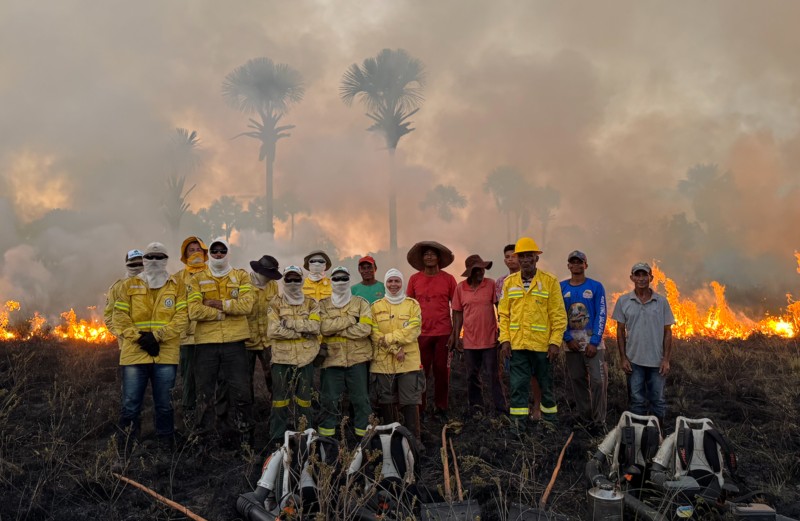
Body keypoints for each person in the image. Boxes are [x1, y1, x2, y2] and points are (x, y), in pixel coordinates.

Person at [112, 242, 188, 448]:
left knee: (164, 404)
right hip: (134, 353)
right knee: (130, 405)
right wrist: (140, 338)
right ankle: (126, 447)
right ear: (144, 260)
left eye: (159, 257)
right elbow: (119, 317)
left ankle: (165, 445)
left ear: (166, 260)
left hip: (165, 354)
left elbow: (182, 317)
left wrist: (157, 337)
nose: (154, 261)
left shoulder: (177, 285)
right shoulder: (128, 286)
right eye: (150, 257)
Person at [187, 237, 255, 447]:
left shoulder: (241, 276)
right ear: (209, 254)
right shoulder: (197, 279)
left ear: (228, 253)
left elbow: (246, 306)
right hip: (206, 344)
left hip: (235, 343)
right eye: (214, 250)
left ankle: (245, 441)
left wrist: (217, 304)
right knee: (204, 394)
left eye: (222, 250)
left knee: (242, 392)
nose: (218, 254)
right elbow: (193, 310)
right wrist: (222, 313)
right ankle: (203, 441)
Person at [498, 237, 567, 433]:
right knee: (517, 386)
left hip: (542, 346)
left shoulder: (549, 281)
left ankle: (549, 424)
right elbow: (504, 315)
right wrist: (505, 340)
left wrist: (555, 343)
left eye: (530, 256)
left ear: (537, 258)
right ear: (518, 259)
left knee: (546, 385)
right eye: (522, 256)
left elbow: (558, 315)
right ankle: (517, 426)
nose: (526, 260)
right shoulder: (509, 283)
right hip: (517, 346)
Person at [611, 262, 675, 429]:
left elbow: (668, 332)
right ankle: (638, 435)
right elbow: (620, 331)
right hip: (634, 362)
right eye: (637, 275)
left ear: (651, 278)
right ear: (632, 278)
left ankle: (658, 435)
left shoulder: (661, 302)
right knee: (636, 401)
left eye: (644, 275)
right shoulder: (624, 301)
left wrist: (666, 360)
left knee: (658, 401)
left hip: (657, 362)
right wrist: (623, 358)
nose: (641, 278)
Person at [370, 268, 425, 448]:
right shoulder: (376, 306)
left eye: (397, 281)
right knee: (387, 401)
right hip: (383, 363)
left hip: (408, 362)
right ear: (385, 284)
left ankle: (414, 442)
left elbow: (414, 330)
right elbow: (374, 334)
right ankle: (391, 441)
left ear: (402, 283)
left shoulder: (412, 305)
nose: (393, 285)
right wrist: (394, 349)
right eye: (390, 281)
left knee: (410, 401)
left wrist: (390, 338)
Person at [317, 266, 374, 438]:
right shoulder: (322, 305)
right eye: (336, 279)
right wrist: (351, 320)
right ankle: (328, 441)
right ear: (331, 281)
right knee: (329, 401)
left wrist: (337, 330)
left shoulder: (361, 303)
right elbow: (323, 328)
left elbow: (365, 329)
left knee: (361, 401)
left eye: (344, 278)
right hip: (331, 360)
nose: (340, 282)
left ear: (349, 280)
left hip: (357, 360)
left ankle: (363, 440)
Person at [267, 266, 320, 445]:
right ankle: (277, 439)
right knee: (279, 401)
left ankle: (305, 437)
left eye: (296, 279)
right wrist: (300, 332)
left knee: (305, 401)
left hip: (306, 359)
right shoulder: (275, 303)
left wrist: (288, 323)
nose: (292, 282)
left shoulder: (311, 303)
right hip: (281, 359)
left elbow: (315, 327)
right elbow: (273, 330)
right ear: (284, 281)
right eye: (288, 279)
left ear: (302, 280)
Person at [405, 241, 457, 422]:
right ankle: (421, 409)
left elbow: (456, 307)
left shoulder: (449, 279)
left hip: (443, 333)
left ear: (439, 258)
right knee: (421, 372)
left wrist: (455, 334)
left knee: (443, 372)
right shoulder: (414, 279)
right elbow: (409, 307)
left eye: (432, 254)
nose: (429, 257)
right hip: (420, 334)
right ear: (421, 258)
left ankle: (441, 408)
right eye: (426, 254)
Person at [560, 250, 608, 435]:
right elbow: (557, 315)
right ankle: (586, 419)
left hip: (593, 343)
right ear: (568, 266)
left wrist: (594, 341)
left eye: (579, 262)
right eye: (572, 262)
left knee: (598, 381)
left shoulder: (596, 286)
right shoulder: (561, 287)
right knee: (578, 380)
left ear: (585, 265)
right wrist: (567, 338)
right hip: (571, 344)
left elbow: (601, 314)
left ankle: (599, 421)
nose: (576, 265)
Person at [452, 254, 506, 417]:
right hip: (469, 341)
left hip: (490, 339)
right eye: (477, 270)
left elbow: (499, 308)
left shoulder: (490, 285)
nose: (481, 272)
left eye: (482, 269)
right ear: (470, 272)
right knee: (471, 376)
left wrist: (502, 332)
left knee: (493, 375)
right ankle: (476, 408)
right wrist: (456, 336)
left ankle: (501, 409)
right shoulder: (461, 288)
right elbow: (458, 314)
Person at [496, 244, 543, 420]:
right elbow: (502, 311)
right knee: (515, 376)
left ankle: (537, 408)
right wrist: (504, 338)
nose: (511, 260)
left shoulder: (539, 280)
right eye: (507, 257)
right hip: (513, 336)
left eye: (514, 256)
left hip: (535, 336)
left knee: (535, 374)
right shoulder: (502, 282)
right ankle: (519, 410)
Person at [173, 236, 208, 429]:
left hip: (210, 336)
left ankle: (209, 419)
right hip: (187, 338)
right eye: (191, 250)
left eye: (198, 249)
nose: (195, 253)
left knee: (211, 379)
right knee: (188, 379)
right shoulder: (178, 278)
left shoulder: (213, 274)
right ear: (184, 254)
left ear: (205, 253)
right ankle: (189, 418)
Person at [243, 255, 282, 404]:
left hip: (267, 339)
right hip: (246, 340)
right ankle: (248, 410)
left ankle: (276, 408)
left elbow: (275, 309)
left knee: (274, 376)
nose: (270, 278)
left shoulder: (273, 285)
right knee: (245, 379)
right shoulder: (243, 283)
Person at [104, 249, 144, 346]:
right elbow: (109, 317)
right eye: (133, 265)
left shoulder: (156, 285)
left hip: (155, 346)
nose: (137, 267)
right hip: (128, 347)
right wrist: (125, 335)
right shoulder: (116, 288)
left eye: (140, 264)